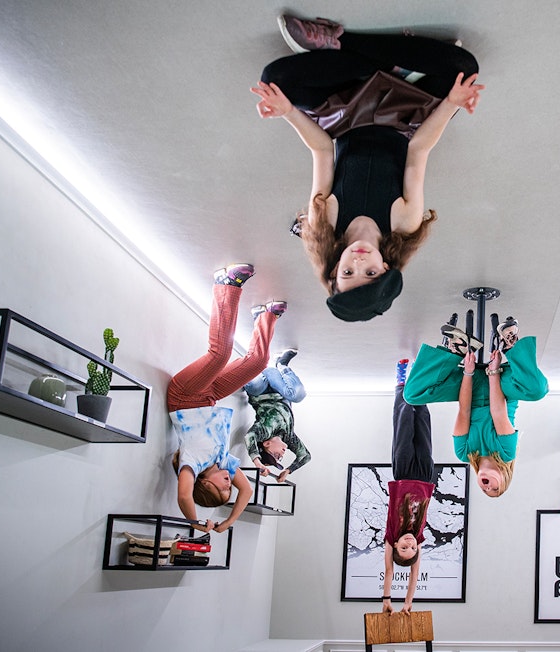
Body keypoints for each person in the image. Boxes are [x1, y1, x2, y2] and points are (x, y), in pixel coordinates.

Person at [252, 15, 483, 321]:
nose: (359, 261)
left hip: (346, 111)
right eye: (370, 272)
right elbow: (419, 148)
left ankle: (358, 50)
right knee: (464, 68)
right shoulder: (404, 223)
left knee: (274, 80)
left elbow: (321, 148)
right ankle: (379, 59)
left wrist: (288, 112)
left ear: (335, 270)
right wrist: (452, 103)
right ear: (386, 268)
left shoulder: (326, 222)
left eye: (349, 271)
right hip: (403, 113)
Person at [167, 264, 287, 532]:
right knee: (258, 362)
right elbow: (246, 491)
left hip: (185, 396)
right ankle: (265, 316)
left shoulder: (190, 464)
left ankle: (226, 284)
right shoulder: (223, 461)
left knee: (220, 353)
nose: (228, 485)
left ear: (204, 484)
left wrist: (196, 523)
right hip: (210, 397)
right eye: (228, 489)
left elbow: (184, 496)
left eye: (221, 490)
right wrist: (230, 521)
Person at [403, 319, 548, 498]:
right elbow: (498, 411)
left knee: (412, 395)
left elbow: (464, 411)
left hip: (470, 390)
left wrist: (469, 372)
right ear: (505, 477)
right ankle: (510, 343)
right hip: (501, 389)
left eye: (484, 490)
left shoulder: (464, 453)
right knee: (537, 390)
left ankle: (457, 348)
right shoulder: (506, 453)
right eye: (495, 489)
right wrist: (493, 371)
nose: (487, 487)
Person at [382, 359, 435, 614]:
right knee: (422, 421)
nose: (409, 543)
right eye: (411, 548)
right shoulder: (419, 537)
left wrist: (388, 600)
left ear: (395, 547)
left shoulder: (391, 536)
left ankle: (402, 379)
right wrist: (409, 603)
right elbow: (415, 575)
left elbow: (391, 572)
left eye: (404, 547)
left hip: (403, 473)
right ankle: (420, 377)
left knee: (403, 422)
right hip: (425, 477)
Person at [242, 348, 310, 483]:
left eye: (276, 455)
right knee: (297, 395)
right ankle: (281, 366)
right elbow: (305, 456)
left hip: (260, 392)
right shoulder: (289, 437)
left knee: (253, 386)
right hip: (280, 391)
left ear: (267, 443)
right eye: (280, 458)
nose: (281, 455)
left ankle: (261, 366)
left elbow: (249, 436)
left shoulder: (264, 431)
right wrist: (288, 470)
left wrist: (257, 462)